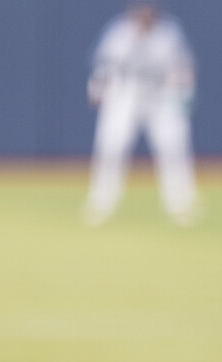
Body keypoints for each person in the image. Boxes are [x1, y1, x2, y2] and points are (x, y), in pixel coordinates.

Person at [84, 2, 200, 226]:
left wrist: (184, 93)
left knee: (173, 147)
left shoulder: (169, 33)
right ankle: (101, 203)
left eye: (149, 10)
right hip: (126, 94)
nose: (144, 15)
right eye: (140, 10)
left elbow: (184, 67)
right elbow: (104, 65)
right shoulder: (120, 31)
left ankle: (182, 204)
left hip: (161, 95)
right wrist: (97, 89)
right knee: (111, 146)